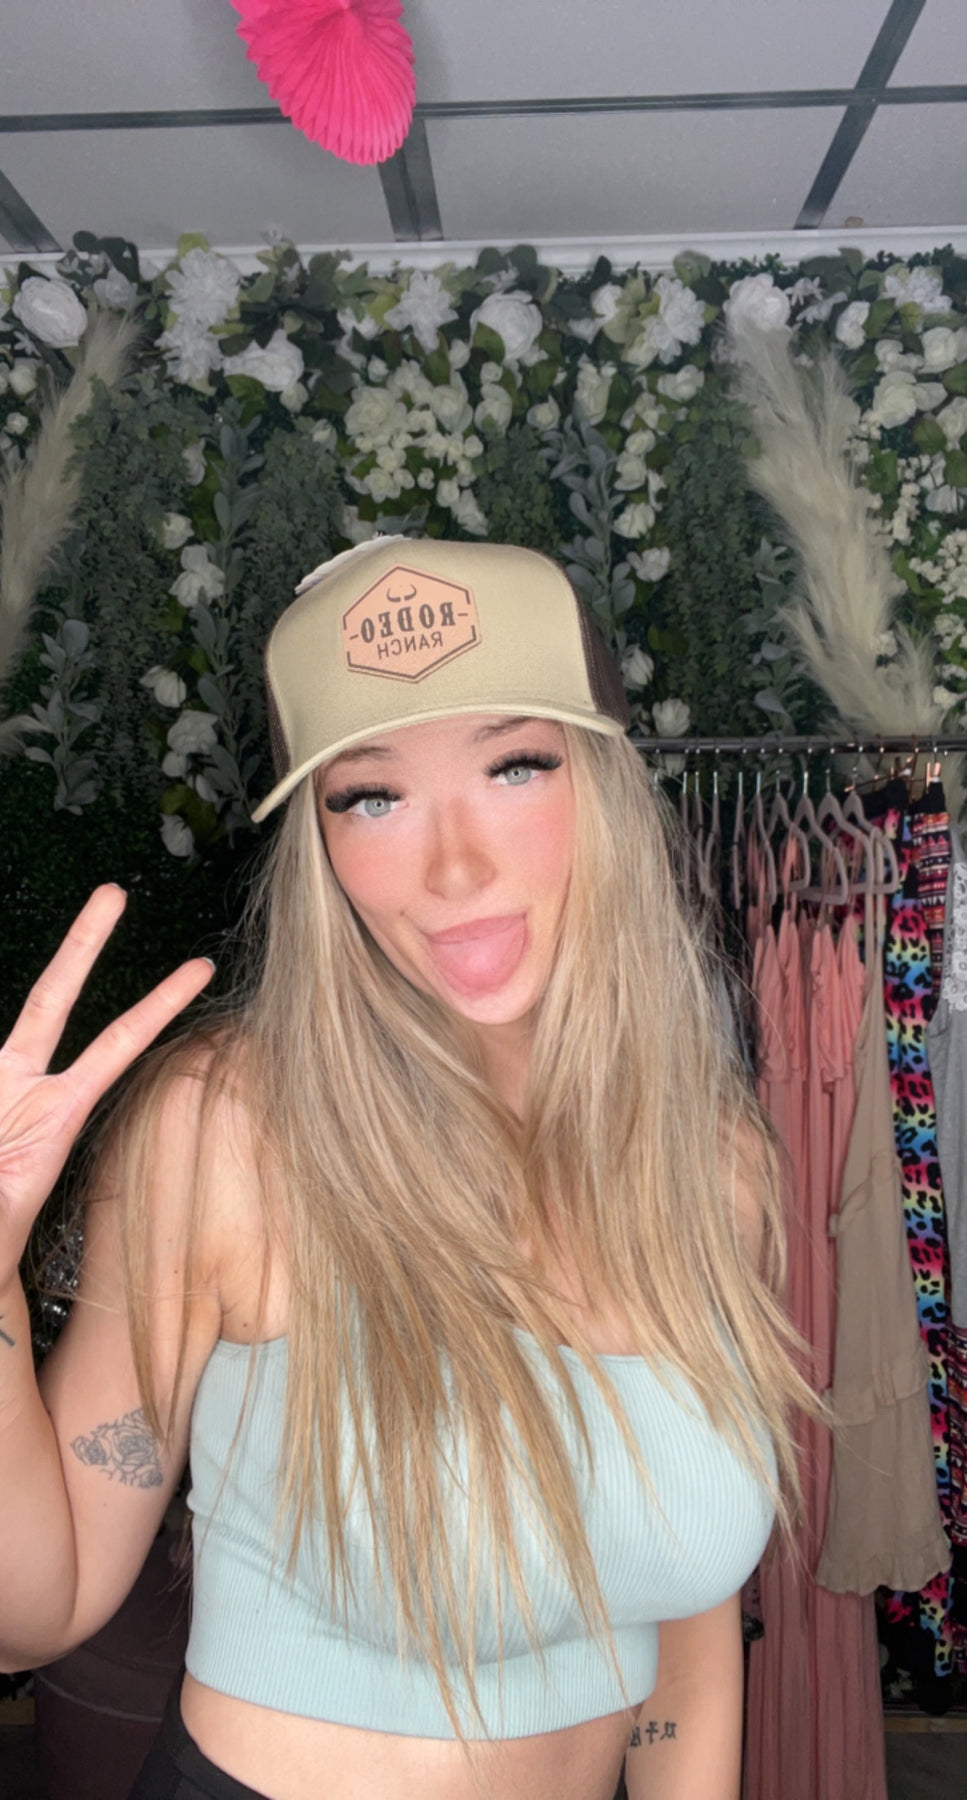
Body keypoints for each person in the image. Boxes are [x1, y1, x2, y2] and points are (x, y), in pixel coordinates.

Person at [0, 537, 807, 1800]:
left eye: (515, 767)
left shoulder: (710, 1157)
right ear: (317, 844)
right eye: (371, 797)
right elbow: (32, 1615)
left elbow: (678, 1620)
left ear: (603, 779)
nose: (455, 867)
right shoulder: (230, 1131)